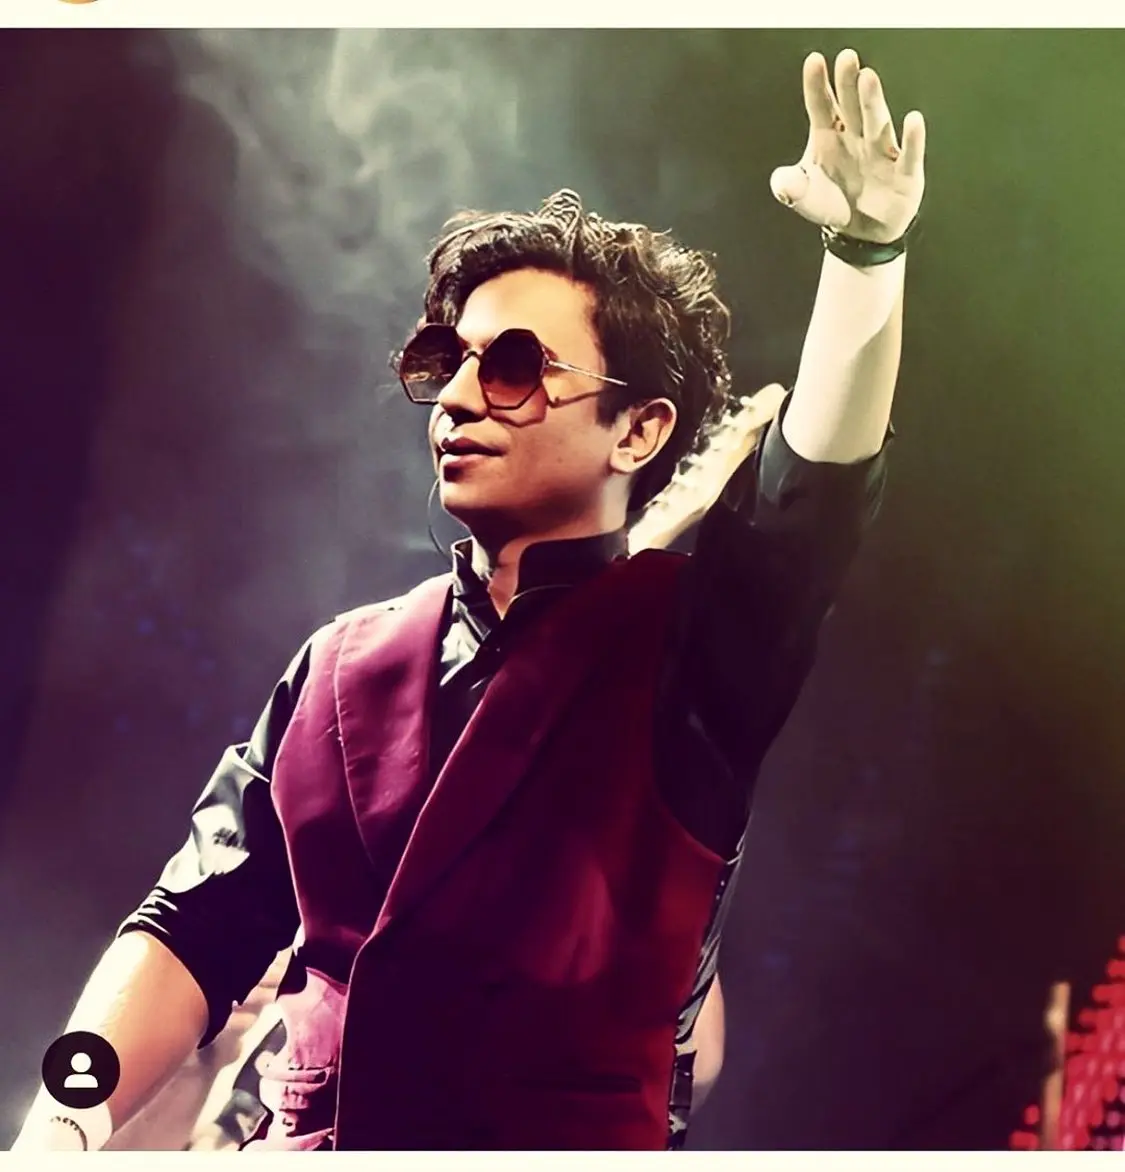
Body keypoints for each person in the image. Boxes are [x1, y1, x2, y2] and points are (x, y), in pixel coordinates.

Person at [14, 47, 925, 1151]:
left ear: (638, 430)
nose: (454, 396)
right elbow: (191, 924)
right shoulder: (338, 665)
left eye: (513, 367)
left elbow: (808, 494)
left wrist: (864, 259)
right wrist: (61, 1122)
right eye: (445, 361)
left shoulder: (697, 643)